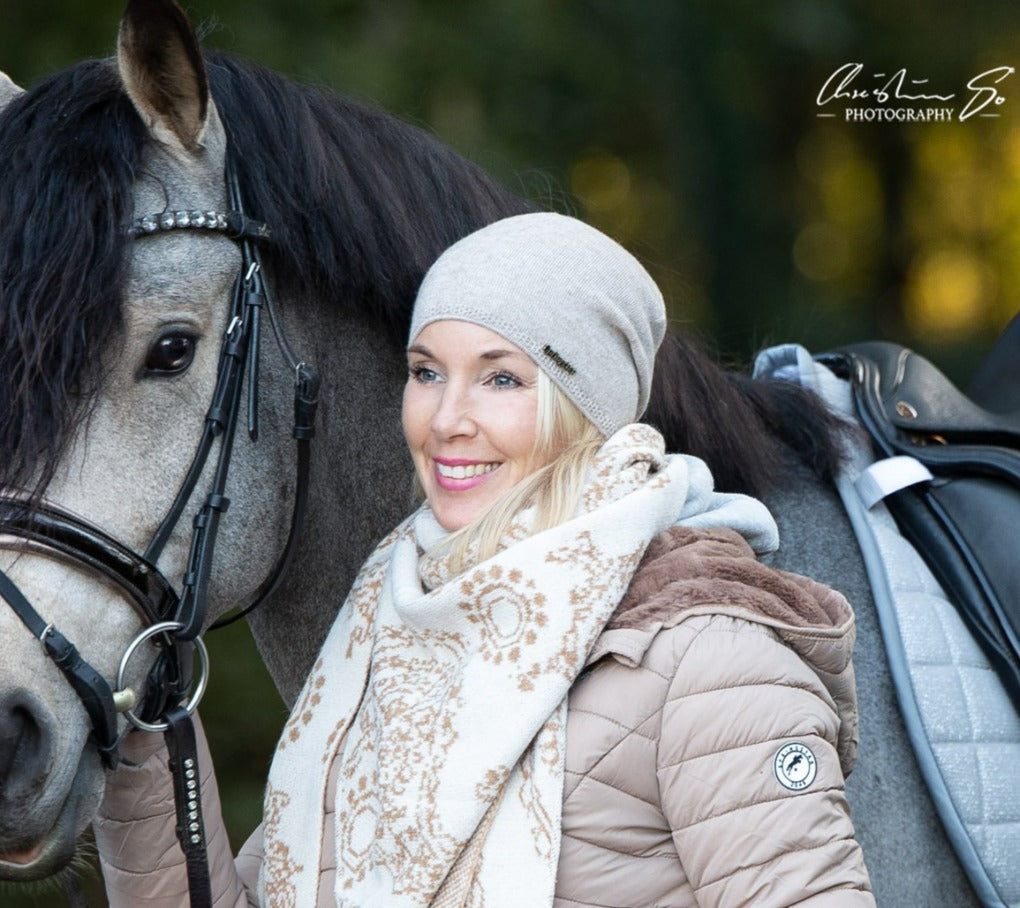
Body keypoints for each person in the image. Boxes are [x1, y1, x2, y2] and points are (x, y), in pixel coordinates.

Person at [96, 212, 874, 906]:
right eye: (427, 372)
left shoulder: (711, 660)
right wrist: (143, 730)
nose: (446, 419)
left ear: (585, 407)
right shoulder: (381, 637)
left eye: (501, 378)